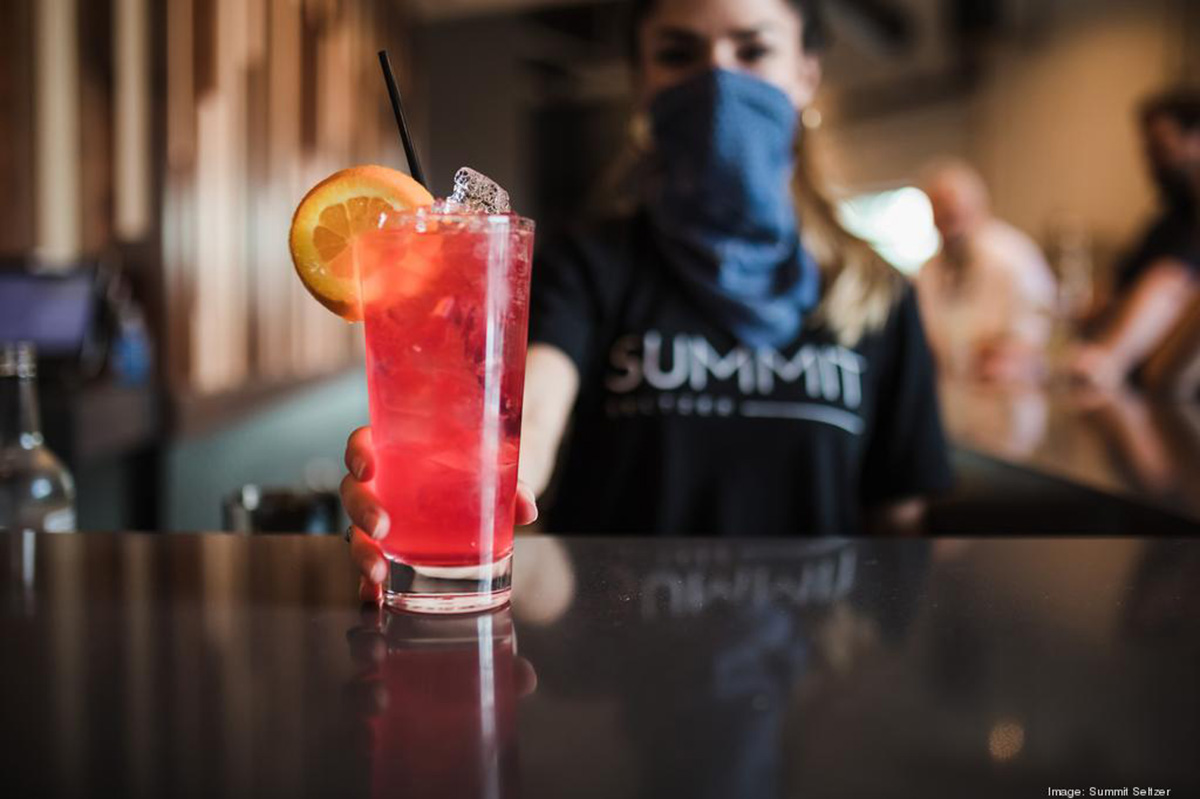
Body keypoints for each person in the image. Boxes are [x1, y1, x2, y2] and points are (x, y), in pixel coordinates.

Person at [343, 0, 953, 602]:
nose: (718, 78)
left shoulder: (879, 295)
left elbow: (900, 532)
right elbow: (534, 416)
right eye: (678, 53)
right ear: (642, 83)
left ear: (807, 73)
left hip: (817, 682)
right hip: (618, 668)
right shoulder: (587, 268)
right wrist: (460, 495)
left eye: (753, 49)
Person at [1068, 90, 1200, 390]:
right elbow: (1109, 288)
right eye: (1148, 150)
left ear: (1196, 140)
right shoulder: (1168, 222)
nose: (1151, 160)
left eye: (1161, 147)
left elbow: (1169, 282)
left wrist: (1107, 357)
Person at [914, 160, 1058, 383]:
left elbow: (1038, 326)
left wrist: (1010, 352)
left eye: (953, 206)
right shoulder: (929, 271)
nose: (947, 214)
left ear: (979, 205)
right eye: (938, 206)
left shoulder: (1014, 255)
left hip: (1008, 389)